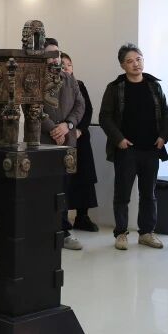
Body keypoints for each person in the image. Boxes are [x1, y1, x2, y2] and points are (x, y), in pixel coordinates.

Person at [99, 43, 168, 251]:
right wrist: (119, 139)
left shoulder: (154, 86)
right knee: (122, 194)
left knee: (149, 194)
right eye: (130, 61)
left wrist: (163, 136)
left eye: (138, 59)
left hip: (151, 148)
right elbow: (105, 117)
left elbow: (166, 114)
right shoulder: (115, 88)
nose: (135, 64)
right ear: (123, 65)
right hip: (126, 149)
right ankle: (121, 233)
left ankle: (146, 233)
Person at [41, 45, 86, 249]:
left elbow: (80, 105)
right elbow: (33, 107)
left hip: (67, 141)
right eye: (50, 55)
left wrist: (67, 126)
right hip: (42, 142)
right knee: (44, 188)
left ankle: (64, 232)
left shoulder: (69, 79)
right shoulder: (34, 78)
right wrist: (53, 129)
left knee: (63, 188)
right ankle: (43, 231)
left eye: (57, 54)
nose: (55, 59)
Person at [62, 54, 100, 232]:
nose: (66, 68)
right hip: (61, 137)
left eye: (69, 65)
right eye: (63, 64)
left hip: (80, 137)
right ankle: (61, 219)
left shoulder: (79, 84)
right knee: (64, 179)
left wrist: (79, 130)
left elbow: (87, 110)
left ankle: (82, 217)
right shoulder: (51, 86)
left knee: (84, 177)